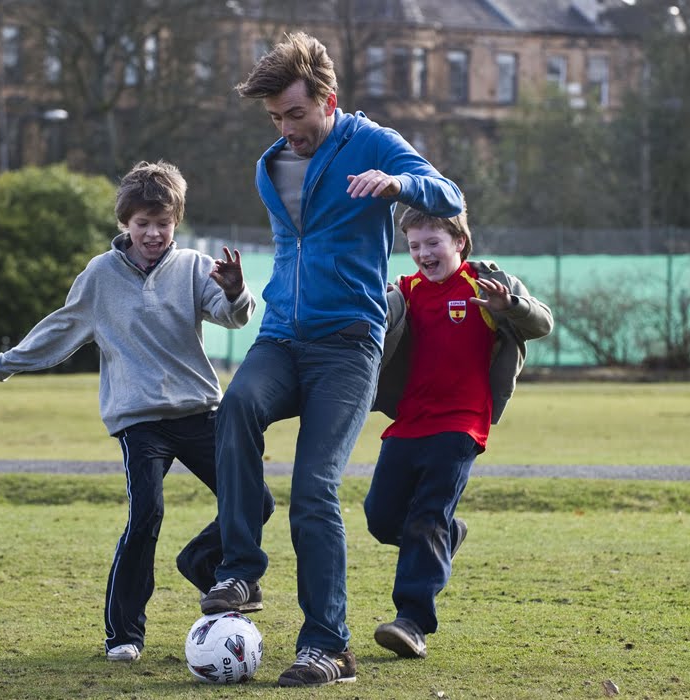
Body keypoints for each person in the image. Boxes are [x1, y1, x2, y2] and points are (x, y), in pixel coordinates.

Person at [197, 32, 465, 687]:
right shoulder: (272, 164)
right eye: (275, 118)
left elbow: (448, 195)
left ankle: (328, 648)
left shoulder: (370, 143)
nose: (287, 129)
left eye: (295, 114)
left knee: (313, 491)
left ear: (327, 101)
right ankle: (239, 570)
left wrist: (399, 183)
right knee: (235, 408)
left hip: (347, 344)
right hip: (282, 337)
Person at [0, 160, 274, 664]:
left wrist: (236, 288)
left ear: (176, 222)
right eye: (142, 223)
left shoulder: (193, 265)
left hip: (198, 412)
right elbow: (62, 329)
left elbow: (232, 317)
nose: (153, 233)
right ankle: (124, 634)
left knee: (255, 503)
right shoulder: (101, 275)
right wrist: (1, 364)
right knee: (146, 514)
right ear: (125, 222)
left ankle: (199, 561)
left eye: (163, 223)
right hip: (139, 420)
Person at [366, 203, 553, 659]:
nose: (423, 253)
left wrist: (510, 306)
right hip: (409, 421)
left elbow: (542, 322)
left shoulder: (486, 284)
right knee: (381, 518)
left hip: (461, 422)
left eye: (434, 243)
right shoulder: (403, 291)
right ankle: (447, 535)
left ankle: (412, 621)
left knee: (427, 514)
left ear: (459, 243)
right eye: (414, 245)